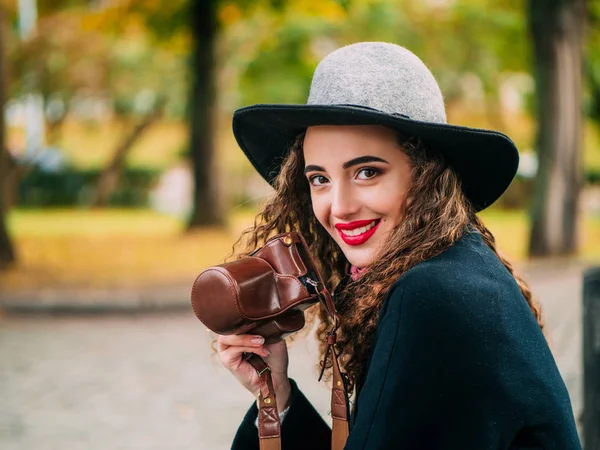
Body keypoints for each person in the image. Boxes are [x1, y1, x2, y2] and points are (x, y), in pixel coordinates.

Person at [215, 42, 581, 449]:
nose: (340, 207)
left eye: (367, 172)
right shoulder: (450, 269)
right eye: (319, 179)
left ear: (426, 176)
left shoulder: (435, 293)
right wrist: (276, 396)